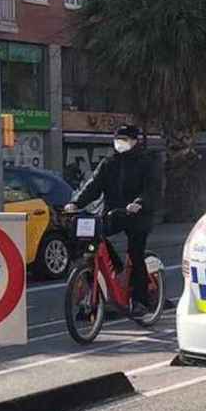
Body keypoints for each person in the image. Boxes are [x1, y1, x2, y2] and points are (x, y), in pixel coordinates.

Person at [65, 125, 161, 316]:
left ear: (135, 141)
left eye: (125, 139)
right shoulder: (109, 162)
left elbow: (153, 188)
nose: (120, 143)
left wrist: (139, 203)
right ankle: (111, 277)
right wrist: (75, 203)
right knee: (93, 240)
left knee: (135, 252)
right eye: (118, 139)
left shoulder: (147, 161)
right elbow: (93, 185)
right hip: (113, 213)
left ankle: (140, 300)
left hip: (138, 215)